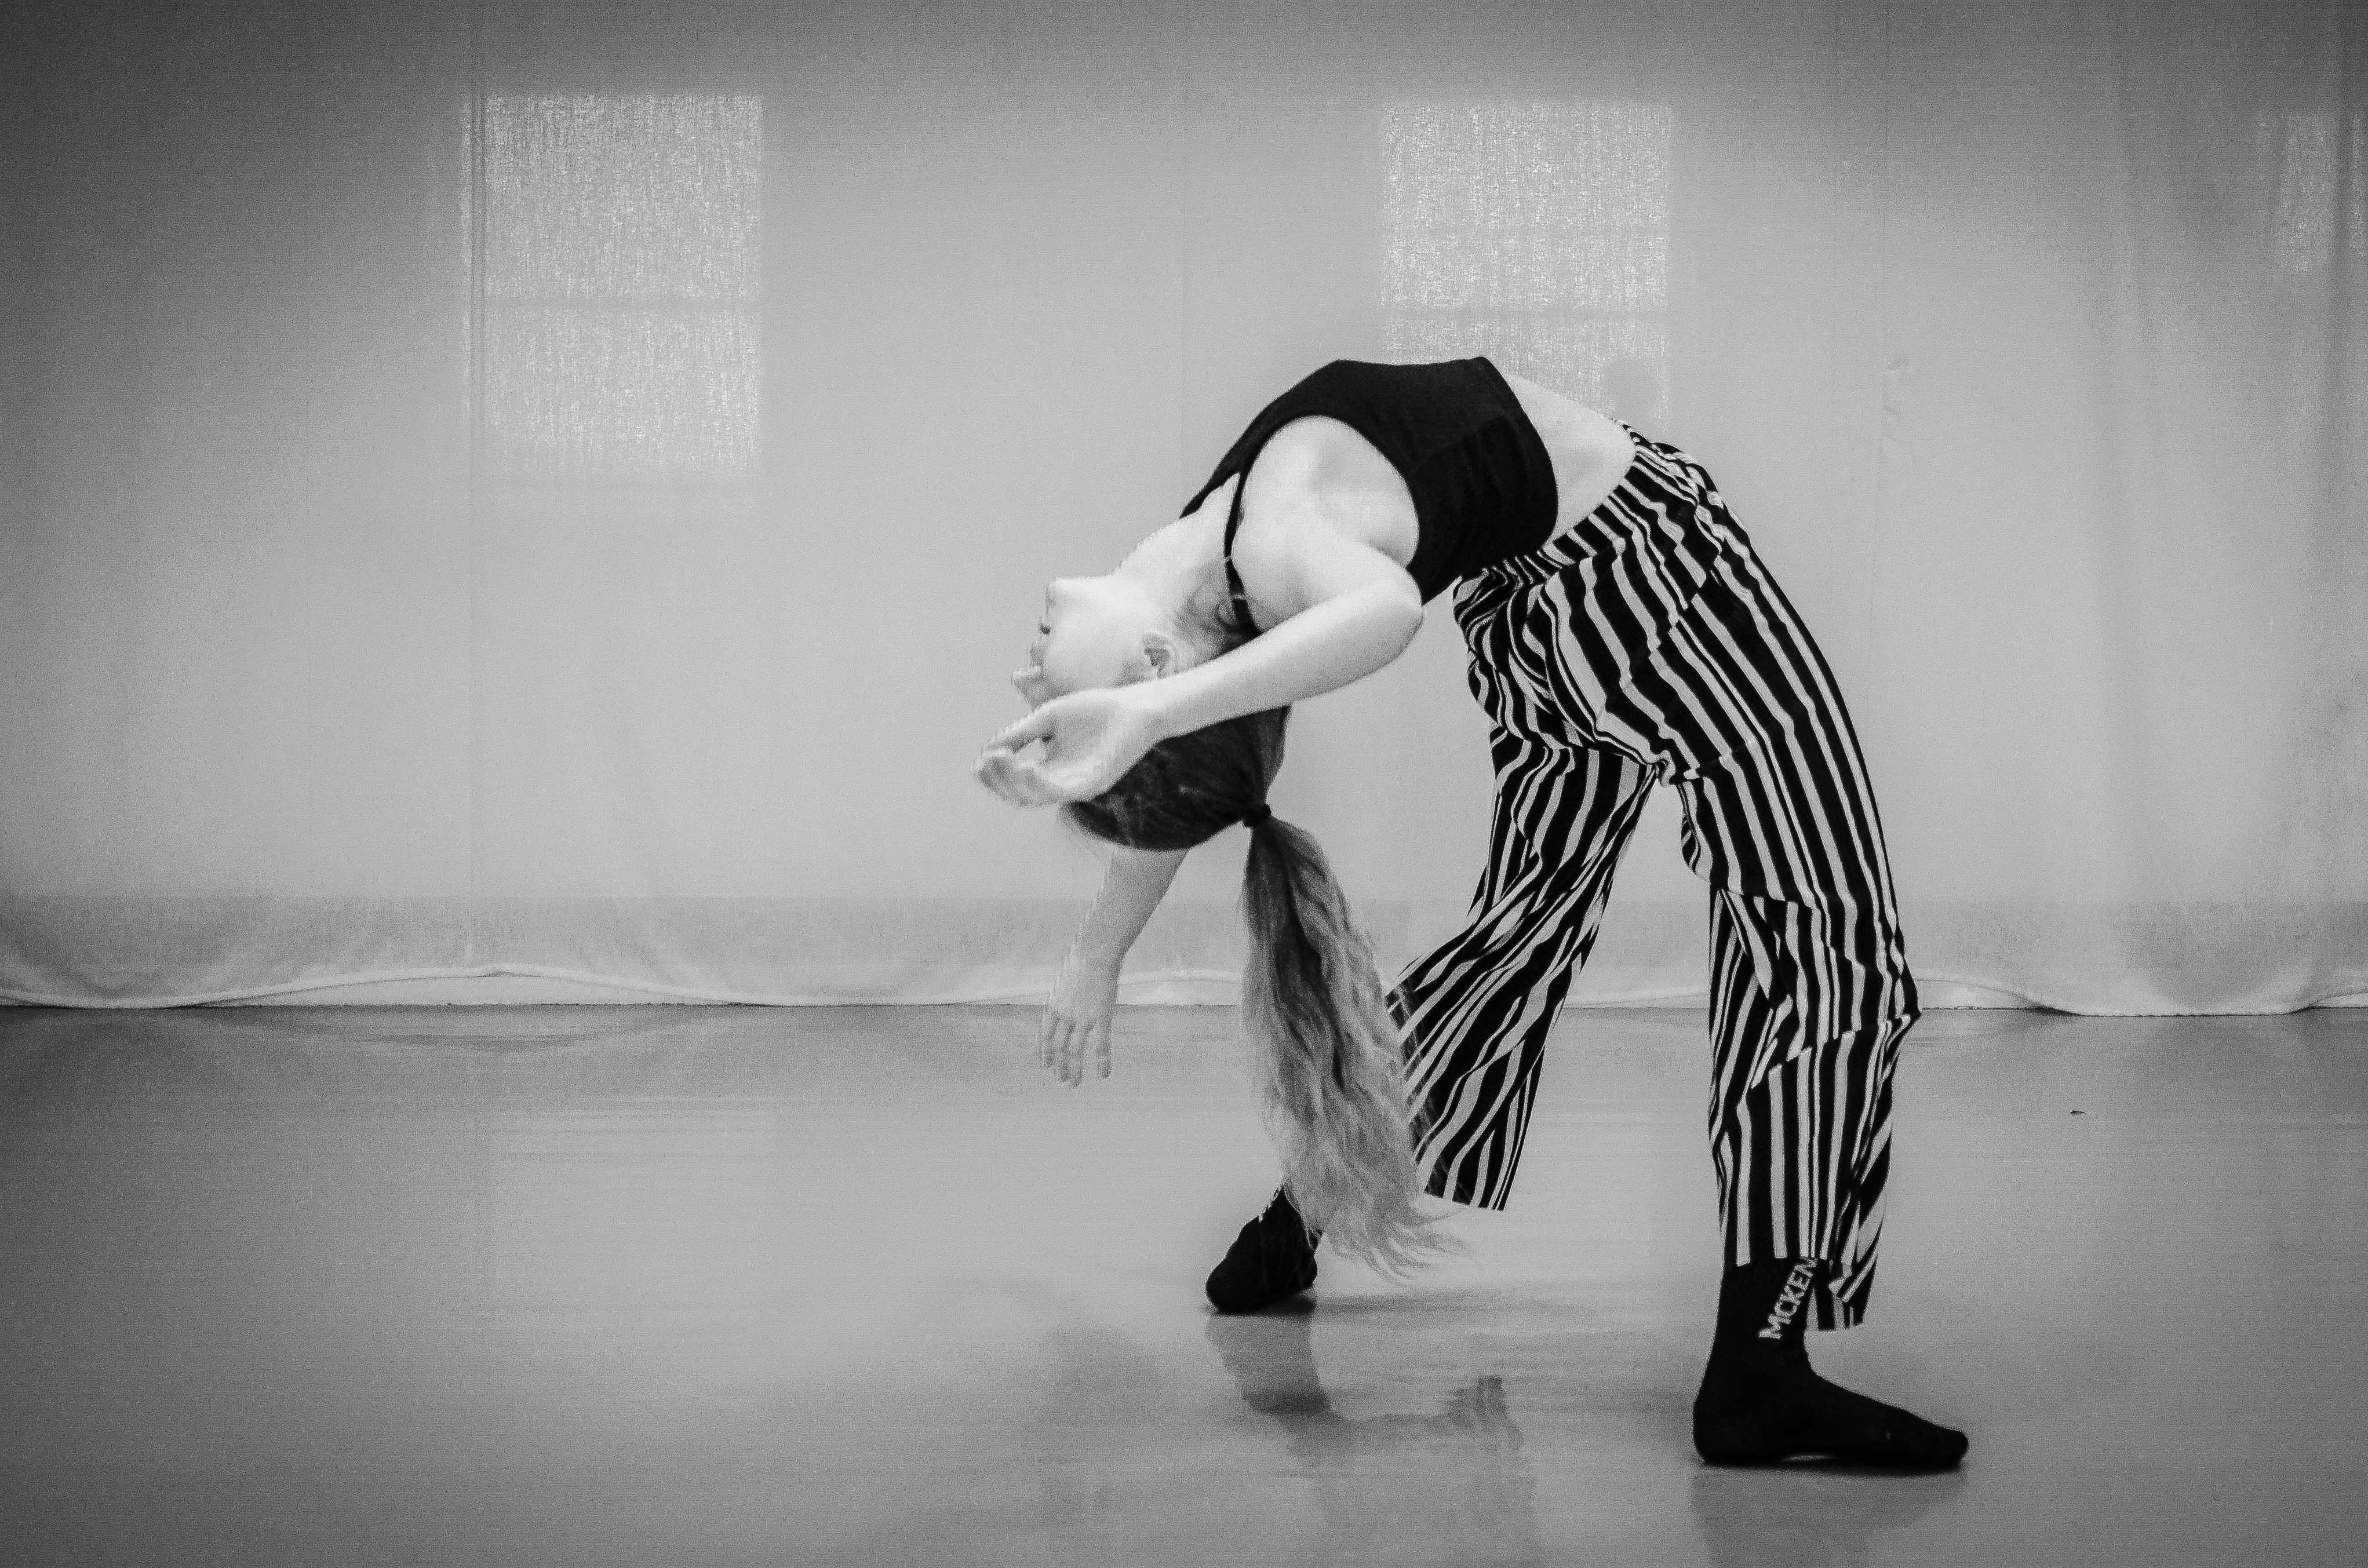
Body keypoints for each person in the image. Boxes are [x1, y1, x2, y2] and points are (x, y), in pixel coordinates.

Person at [973, 357, 1966, 1470]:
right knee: (1824, 937)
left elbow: (1192, 752)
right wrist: (1142, 728)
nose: (1029, 676)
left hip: (1532, 612)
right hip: (1647, 575)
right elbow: (1386, 613)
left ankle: (1303, 1208)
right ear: (1152, 667)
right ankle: (1762, 1372)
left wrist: (1096, 945)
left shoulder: (1213, 567)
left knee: (1523, 931)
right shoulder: (1268, 544)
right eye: (1055, 691)